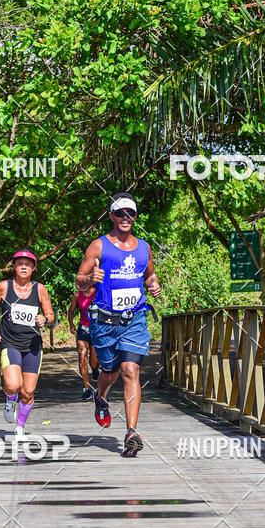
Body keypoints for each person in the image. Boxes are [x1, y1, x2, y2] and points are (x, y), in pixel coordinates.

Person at [75, 192, 161, 456]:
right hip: (104, 321)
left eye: (130, 213)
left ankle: (131, 431)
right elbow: (79, 280)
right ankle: (100, 396)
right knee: (109, 372)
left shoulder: (144, 247)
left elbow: (150, 274)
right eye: (120, 213)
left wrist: (154, 285)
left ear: (135, 217)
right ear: (111, 216)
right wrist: (91, 277)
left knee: (130, 370)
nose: (126, 217)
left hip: (135, 318)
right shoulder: (99, 246)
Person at [0, 250, 54, 437]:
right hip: (10, 342)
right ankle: (9, 399)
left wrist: (44, 319)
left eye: (28, 264)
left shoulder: (40, 289)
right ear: (14, 267)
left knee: (28, 392)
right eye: (20, 263)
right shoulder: (4, 287)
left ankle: (20, 427)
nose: (24, 267)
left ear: (33, 268)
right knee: (14, 385)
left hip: (32, 346)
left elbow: (50, 315)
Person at [68, 286, 100, 400]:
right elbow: (71, 312)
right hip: (83, 329)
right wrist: (71, 324)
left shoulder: (99, 292)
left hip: (97, 330)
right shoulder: (77, 295)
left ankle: (95, 369)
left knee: (94, 363)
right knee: (82, 356)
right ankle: (87, 389)